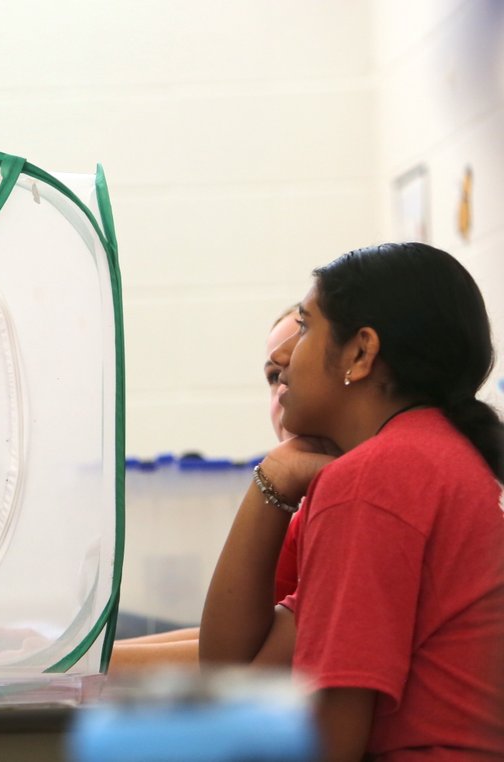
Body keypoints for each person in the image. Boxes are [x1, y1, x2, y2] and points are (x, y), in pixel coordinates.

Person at [200, 243, 504, 759]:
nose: (284, 357)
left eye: (305, 326)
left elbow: (327, 743)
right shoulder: (427, 455)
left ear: (361, 353)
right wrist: (272, 480)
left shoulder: (374, 480)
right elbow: (232, 674)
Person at [107, 307, 300, 673]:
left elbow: (239, 665)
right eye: (275, 376)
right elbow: (231, 644)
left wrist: (80, 666)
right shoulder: (307, 497)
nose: (284, 392)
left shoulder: (347, 500)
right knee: (103, 631)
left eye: (297, 370)